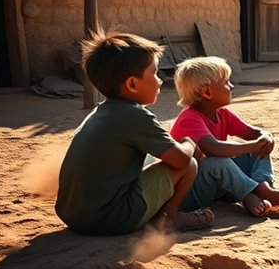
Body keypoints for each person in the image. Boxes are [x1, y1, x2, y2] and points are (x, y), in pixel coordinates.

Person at [56, 30, 212, 235]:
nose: (160, 81)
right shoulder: (136, 116)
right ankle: (170, 218)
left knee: (152, 159)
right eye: (155, 73)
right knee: (189, 163)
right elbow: (181, 161)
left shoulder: (101, 112)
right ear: (132, 84)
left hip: (73, 216)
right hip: (110, 219)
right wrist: (190, 142)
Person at [169, 56, 279, 216]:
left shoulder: (222, 114)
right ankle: (250, 195)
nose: (231, 86)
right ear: (207, 92)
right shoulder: (188, 118)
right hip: (191, 191)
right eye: (226, 82)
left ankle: (263, 187)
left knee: (257, 151)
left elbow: (253, 133)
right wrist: (254, 144)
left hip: (218, 186)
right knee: (216, 162)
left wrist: (265, 137)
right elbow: (214, 149)